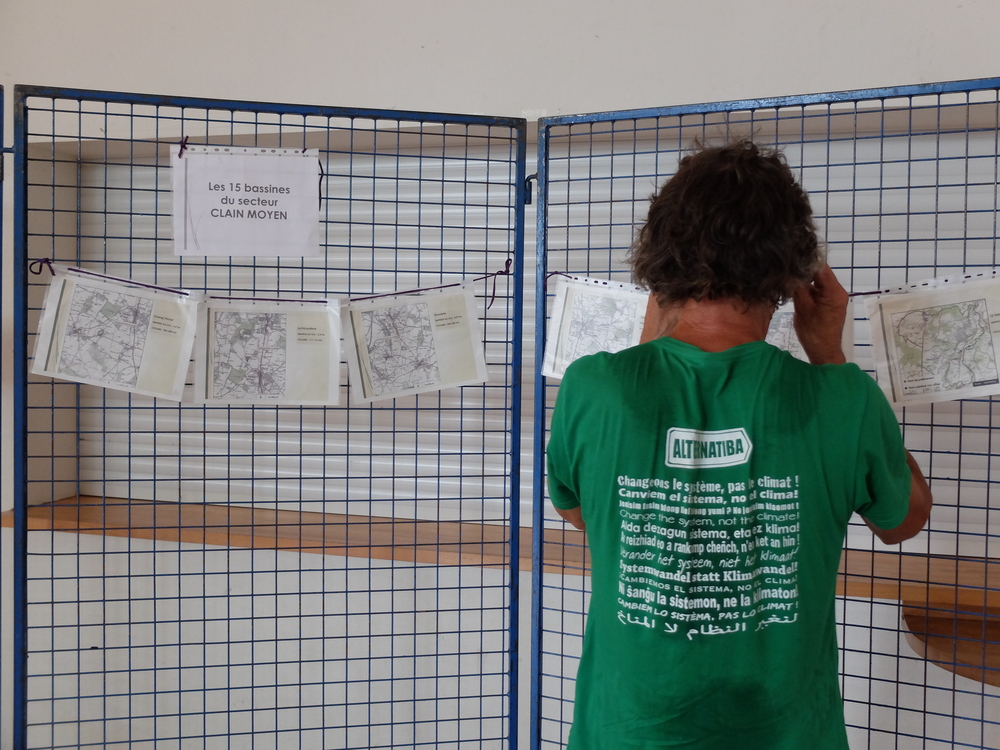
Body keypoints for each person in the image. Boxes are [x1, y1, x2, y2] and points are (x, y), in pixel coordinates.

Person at [546, 140, 932, 750]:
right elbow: (903, 519)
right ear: (792, 269)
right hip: (785, 732)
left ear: (658, 254)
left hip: (628, 730)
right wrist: (829, 352)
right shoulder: (840, 397)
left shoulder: (593, 387)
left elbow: (589, 515)